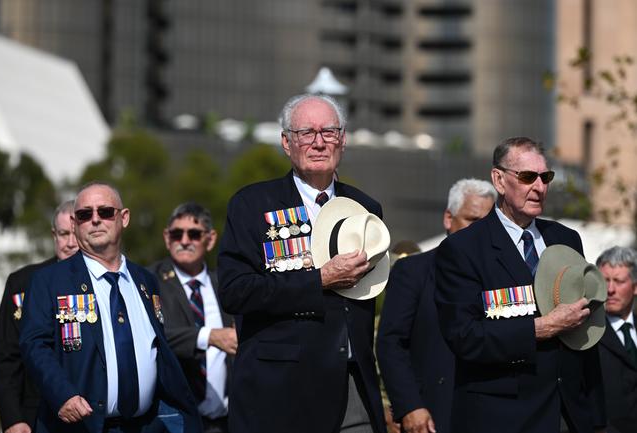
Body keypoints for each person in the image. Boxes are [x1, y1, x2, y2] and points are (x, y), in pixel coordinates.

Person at [217, 94, 387, 433]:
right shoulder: (253, 204)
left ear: (343, 139)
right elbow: (236, 292)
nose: (318, 142)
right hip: (281, 391)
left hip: (352, 387)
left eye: (328, 131)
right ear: (286, 142)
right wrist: (318, 280)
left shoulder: (366, 208)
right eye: (306, 132)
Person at [434, 137, 606, 433]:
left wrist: (595, 415)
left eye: (545, 177)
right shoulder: (465, 248)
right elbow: (464, 336)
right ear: (499, 180)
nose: (539, 187)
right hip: (502, 416)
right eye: (527, 177)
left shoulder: (565, 239)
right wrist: (542, 328)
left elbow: (584, 334)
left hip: (567, 414)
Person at [19, 182, 202, 433]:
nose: (95, 220)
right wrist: (62, 394)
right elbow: (34, 345)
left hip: (145, 425)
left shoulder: (145, 280)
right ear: (74, 224)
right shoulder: (49, 281)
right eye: (85, 215)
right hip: (80, 426)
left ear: (123, 218)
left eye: (105, 212)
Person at [377, 178, 496, 433]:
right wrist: (409, 406)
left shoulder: (502, 277)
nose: (480, 231)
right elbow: (391, 343)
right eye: (472, 220)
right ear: (448, 219)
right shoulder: (413, 271)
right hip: (430, 415)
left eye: (488, 224)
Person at [148, 202, 236, 433]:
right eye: (177, 234)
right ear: (167, 238)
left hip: (227, 420)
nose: (184, 241)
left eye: (194, 234)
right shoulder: (148, 282)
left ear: (210, 239)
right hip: (175, 422)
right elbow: (152, 337)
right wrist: (208, 336)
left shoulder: (227, 285)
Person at [0, 200, 78, 433]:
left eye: (76, 234)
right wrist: (12, 419)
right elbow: (6, 359)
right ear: (53, 235)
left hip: (87, 414)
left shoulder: (102, 283)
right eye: (63, 234)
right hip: (34, 417)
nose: (70, 243)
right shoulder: (22, 283)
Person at [596, 246, 637, 433]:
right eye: (604, 280)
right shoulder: (585, 333)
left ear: (635, 287)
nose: (610, 289)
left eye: (619, 281)